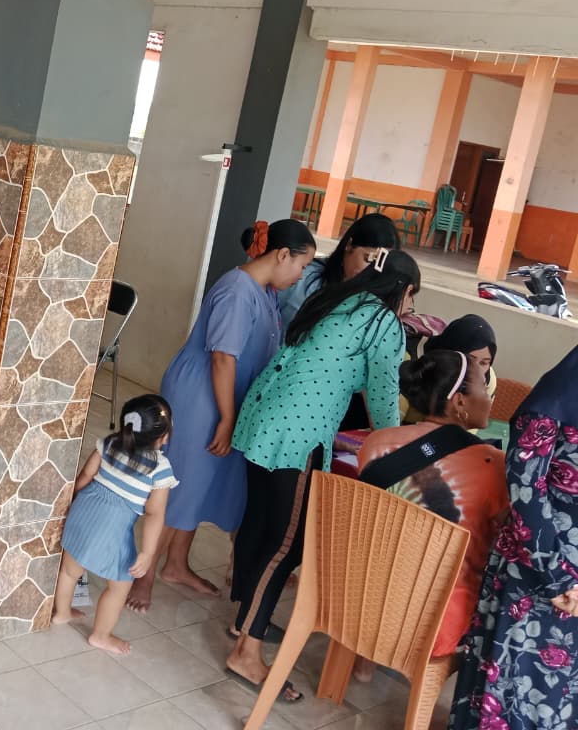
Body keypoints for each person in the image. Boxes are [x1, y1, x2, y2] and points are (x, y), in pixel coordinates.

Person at [226, 248, 421, 701]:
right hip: (299, 434)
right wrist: (402, 448)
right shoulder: (383, 323)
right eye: (413, 298)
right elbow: (383, 404)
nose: (411, 308)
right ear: (404, 290)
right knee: (288, 544)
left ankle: (244, 620)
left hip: (262, 417)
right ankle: (246, 651)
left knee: (260, 523)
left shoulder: (335, 298)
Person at [127, 220, 315, 612]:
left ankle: (176, 565)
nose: (300, 275)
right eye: (301, 265)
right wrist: (227, 419)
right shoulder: (237, 290)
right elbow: (222, 359)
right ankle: (143, 577)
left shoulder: (265, 291)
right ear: (282, 255)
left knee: (202, 483)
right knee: (181, 485)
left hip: (224, 396)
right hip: (203, 396)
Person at [449, 346, 578, 730]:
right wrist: (557, 575)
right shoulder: (564, 389)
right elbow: (524, 482)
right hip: (544, 571)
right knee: (518, 697)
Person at [358, 350, 504, 674]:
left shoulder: (376, 444)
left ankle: (363, 664)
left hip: (359, 599)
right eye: (484, 387)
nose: (490, 397)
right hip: (434, 623)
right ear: (460, 401)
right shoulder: (493, 466)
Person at [52, 395, 176, 656]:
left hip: (84, 510)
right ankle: (100, 636)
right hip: (113, 524)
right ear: (163, 437)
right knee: (119, 586)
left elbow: (86, 476)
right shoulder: (160, 468)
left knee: (70, 571)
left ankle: (61, 613)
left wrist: (71, 506)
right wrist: (147, 552)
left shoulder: (109, 443)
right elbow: (154, 514)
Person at [278, 213, 399, 429]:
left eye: (380, 264)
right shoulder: (304, 276)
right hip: (277, 385)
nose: (372, 271)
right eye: (368, 259)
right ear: (349, 245)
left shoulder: (370, 305)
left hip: (319, 408)